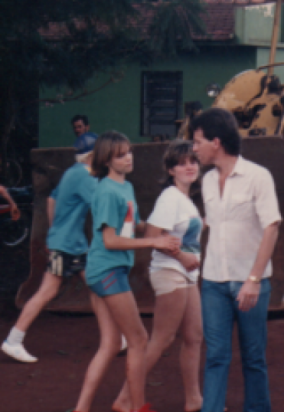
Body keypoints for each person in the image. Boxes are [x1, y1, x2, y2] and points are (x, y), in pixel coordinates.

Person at [75, 132, 180, 412]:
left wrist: (157, 228)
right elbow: (110, 240)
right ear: (107, 160)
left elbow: (131, 224)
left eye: (129, 151)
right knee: (139, 340)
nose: (129, 157)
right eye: (121, 154)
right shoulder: (108, 191)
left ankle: (81, 409)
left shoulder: (125, 187)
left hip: (104, 270)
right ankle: (136, 407)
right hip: (108, 270)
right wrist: (154, 241)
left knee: (110, 345)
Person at [191, 108, 281, 412]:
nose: (194, 148)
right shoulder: (205, 182)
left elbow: (272, 227)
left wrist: (253, 280)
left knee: (253, 358)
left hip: (250, 283)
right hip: (213, 283)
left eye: (197, 141)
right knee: (215, 356)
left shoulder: (258, 176)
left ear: (216, 142)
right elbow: (214, 225)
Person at [111, 140, 205, 412]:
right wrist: (182, 256)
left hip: (187, 274)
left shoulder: (184, 199)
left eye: (193, 161)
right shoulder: (170, 198)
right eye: (182, 163)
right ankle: (125, 398)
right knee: (162, 339)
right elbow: (153, 237)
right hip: (170, 272)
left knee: (194, 336)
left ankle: (194, 400)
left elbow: (179, 234)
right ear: (170, 169)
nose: (189, 167)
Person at [3, 137, 97, 363]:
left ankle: (118, 337)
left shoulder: (71, 173)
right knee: (50, 292)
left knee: (97, 288)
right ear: (93, 155)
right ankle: (13, 340)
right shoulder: (86, 176)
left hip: (69, 244)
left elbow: (51, 200)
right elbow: (102, 203)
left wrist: (56, 230)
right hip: (69, 246)